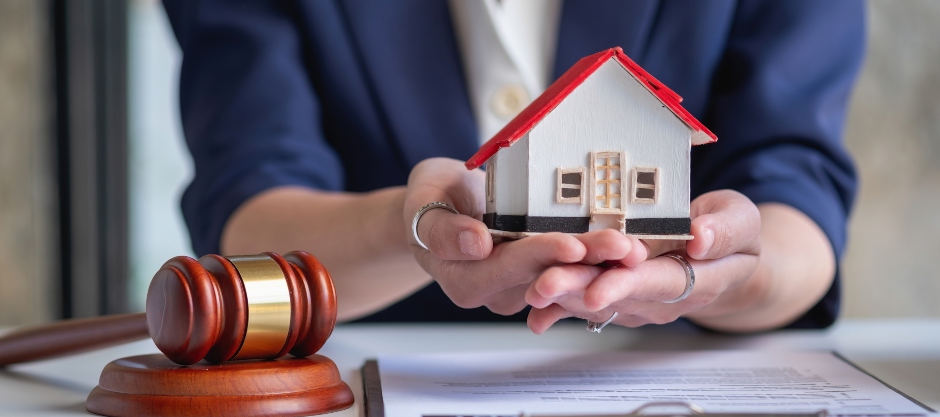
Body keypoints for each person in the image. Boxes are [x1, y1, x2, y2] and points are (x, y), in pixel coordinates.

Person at [163, 0, 863, 333]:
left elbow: (794, 178)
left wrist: (733, 272)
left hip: (668, 393)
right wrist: (411, 226)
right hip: (363, 413)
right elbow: (249, 195)